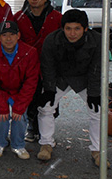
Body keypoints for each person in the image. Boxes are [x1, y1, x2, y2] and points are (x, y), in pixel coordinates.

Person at [36, 9, 106, 167]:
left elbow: (97, 69)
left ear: (85, 29)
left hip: (85, 78)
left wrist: (94, 94)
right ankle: (46, 143)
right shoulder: (51, 40)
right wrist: (49, 90)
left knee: (98, 110)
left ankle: (98, 150)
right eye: (68, 28)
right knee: (46, 107)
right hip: (60, 77)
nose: (72, 33)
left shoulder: (98, 41)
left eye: (77, 29)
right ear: (62, 28)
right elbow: (48, 67)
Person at [0, 21, 39, 160]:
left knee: (20, 116)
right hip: (1, 91)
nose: (8, 39)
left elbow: (31, 82)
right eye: (4, 35)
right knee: (1, 115)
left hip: (19, 91)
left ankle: (18, 145)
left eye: (12, 35)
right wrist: (1, 105)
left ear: (18, 35)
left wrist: (19, 106)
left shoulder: (30, 52)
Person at [14, 0, 62, 142]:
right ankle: (31, 127)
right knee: (29, 96)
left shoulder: (56, 17)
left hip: (50, 66)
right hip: (26, 66)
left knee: (49, 97)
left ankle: (45, 130)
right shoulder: (19, 17)